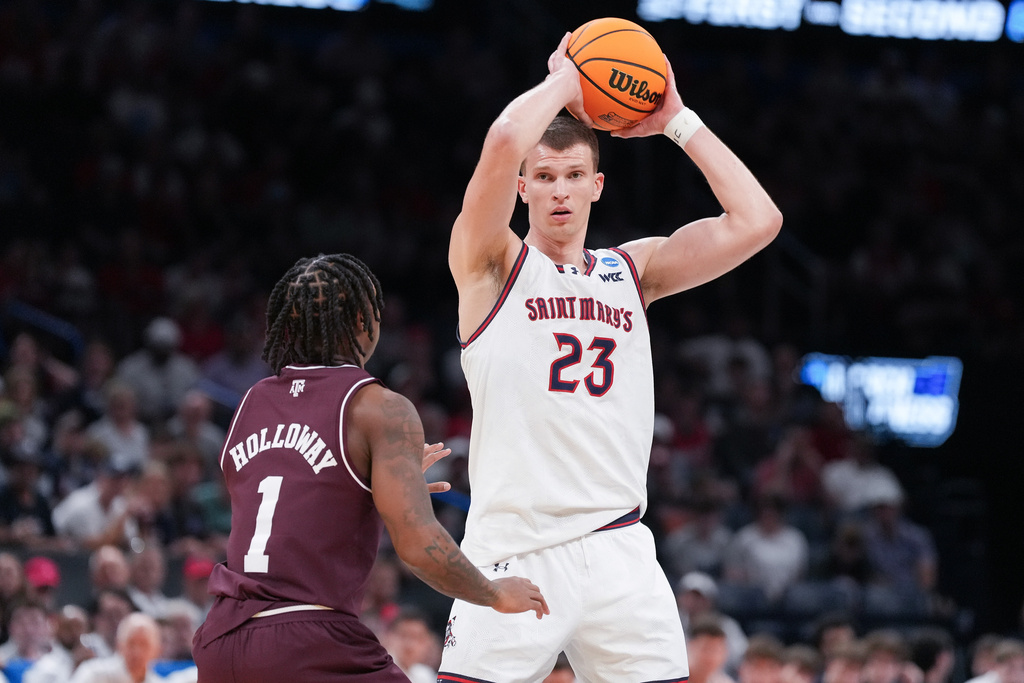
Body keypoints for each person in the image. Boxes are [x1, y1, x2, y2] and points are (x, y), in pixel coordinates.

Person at [438, 27, 781, 682]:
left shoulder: (634, 269)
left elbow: (758, 222)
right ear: (523, 189)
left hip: (618, 547)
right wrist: (569, 78)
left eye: (572, 176)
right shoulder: (490, 264)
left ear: (596, 185)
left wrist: (677, 120)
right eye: (544, 177)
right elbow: (506, 138)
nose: (559, 191)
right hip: (514, 548)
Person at [192, 253, 548, 682]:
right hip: (308, 637)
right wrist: (493, 593)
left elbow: (285, 498)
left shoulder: (251, 402)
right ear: (365, 320)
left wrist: (369, 487)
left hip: (222, 640)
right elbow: (418, 548)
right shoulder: (379, 408)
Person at [69, 612, 163, 683]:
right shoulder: (93, 673)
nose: (137, 652)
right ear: (119, 644)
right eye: (131, 643)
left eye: (144, 644)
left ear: (157, 649)